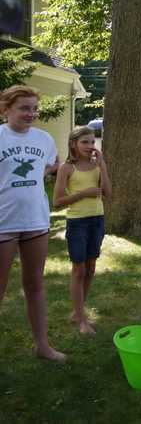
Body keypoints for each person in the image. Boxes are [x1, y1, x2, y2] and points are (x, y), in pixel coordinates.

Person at [0, 85, 65, 361]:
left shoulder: (45, 139)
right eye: (24, 108)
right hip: (3, 222)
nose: (31, 113)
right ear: (6, 110)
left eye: (35, 108)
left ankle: (42, 345)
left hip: (36, 220)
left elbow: (51, 166)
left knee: (35, 284)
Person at [53, 126, 111, 334]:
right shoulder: (66, 168)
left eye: (92, 142)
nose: (89, 146)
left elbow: (108, 192)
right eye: (84, 142)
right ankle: (81, 320)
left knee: (91, 267)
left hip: (97, 220)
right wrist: (83, 193)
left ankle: (78, 312)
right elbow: (57, 201)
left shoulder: (97, 166)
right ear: (73, 144)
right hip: (77, 222)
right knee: (79, 270)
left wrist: (102, 165)